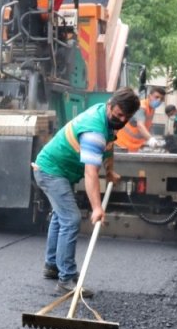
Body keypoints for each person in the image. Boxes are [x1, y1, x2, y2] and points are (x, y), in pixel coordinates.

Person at [33, 87, 139, 294]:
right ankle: (66, 278)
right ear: (110, 105)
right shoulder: (94, 130)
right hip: (51, 171)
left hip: (61, 171)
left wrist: (110, 171)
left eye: (126, 117)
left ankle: (52, 265)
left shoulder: (107, 117)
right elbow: (91, 173)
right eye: (118, 115)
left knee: (60, 216)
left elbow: (109, 146)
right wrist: (97, 208)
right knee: (70, 219)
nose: (122, 120)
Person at [114, 86, 164, 152]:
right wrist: (150, 139)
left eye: (161, 99)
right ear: (149, 96)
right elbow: (140, 126)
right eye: (156, 97)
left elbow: (148, 126)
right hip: (122, 144)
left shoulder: (152, 109)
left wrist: (150, 137)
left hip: (133, 147)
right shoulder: (141, 107)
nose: (159, 101)